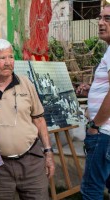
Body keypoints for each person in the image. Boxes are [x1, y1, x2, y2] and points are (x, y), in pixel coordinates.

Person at [0, 38, 55, 200]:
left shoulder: (25, 83)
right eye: (2, 58)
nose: (8, 62)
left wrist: (48, 152)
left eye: (11, 57)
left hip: (31, 160)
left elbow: (39, 119)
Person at [76, 5, 110, 199]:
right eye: (100, 18)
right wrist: (93, 89)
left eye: (108, 18)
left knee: (91, 190)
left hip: (103, 133)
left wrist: (95, 125)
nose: (100, 23)